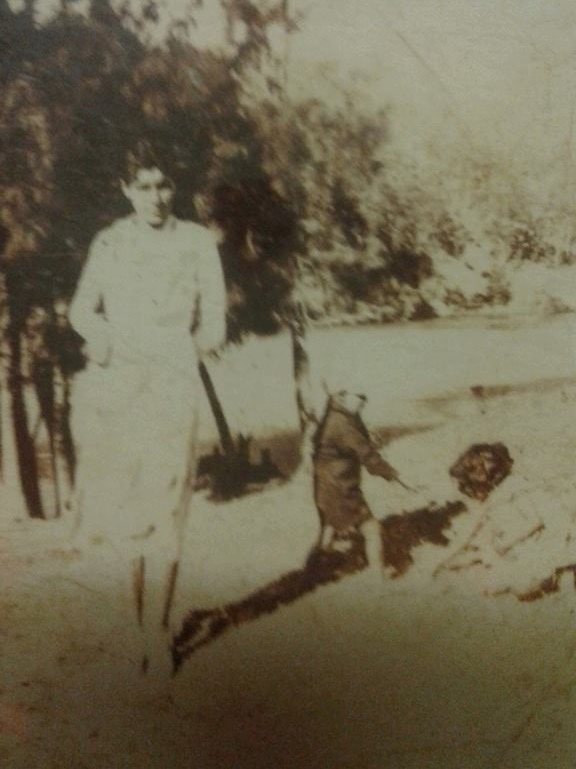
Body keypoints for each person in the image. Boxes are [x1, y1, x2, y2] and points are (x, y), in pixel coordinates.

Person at [68, 141, 227, 675]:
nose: (155, 197)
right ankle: (134, 630)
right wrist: (104, 338)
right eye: (143, 186)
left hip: (173, 383)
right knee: (129, 508)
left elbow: (217, 319)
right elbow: (80, 310)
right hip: (122, 389)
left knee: (169, 507)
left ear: (175, 189)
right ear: (126, 189)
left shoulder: (198, 241)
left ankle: (159, 631)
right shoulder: (109, 242)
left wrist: (191, 345)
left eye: (163, 186)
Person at [312, 389, 400, 581]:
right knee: (372, 529)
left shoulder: (336, 415)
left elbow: (357, 442)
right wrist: (390, 472)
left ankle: (317, 567)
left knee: (330, 524)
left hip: (326, 487)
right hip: (342, 489)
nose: (363, 402)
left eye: (365, 397)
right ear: (344, 396)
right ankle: (379, 577)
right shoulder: (342, 424)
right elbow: (366, 455)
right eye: (359, 397)